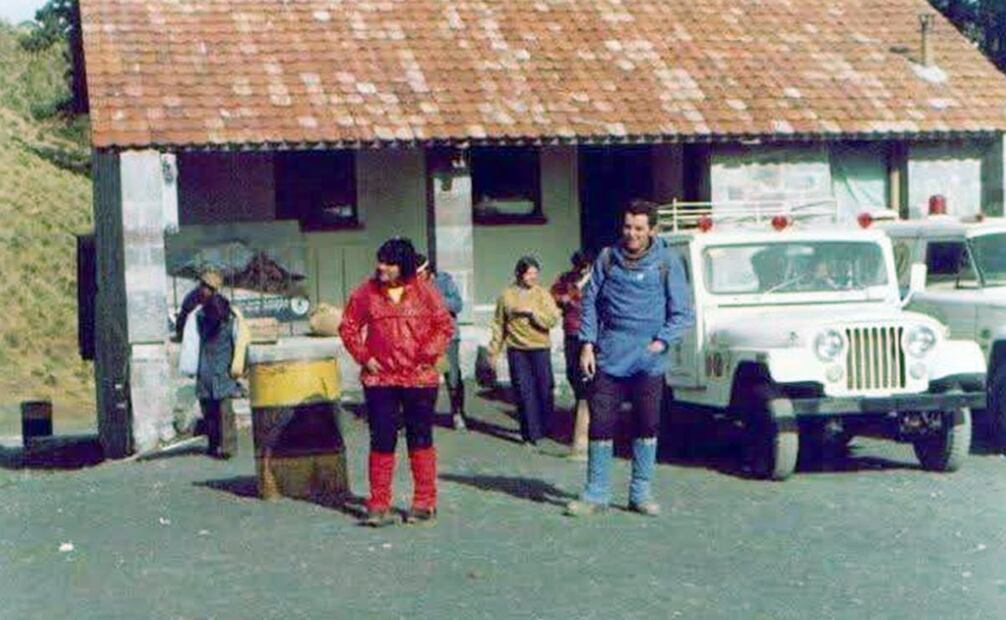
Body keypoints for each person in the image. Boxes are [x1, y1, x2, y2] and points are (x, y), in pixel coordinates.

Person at [566, 200, 695, 517]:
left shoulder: (667, 261)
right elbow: (590, 302)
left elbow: (682, 313)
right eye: (627, 227)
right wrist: (587, 344)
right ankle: (596, 494)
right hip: (609, 356)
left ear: (652, 230)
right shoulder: (608, 258)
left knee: (647, 425)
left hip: (648, 361)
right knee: (601, 424)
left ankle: (640, 493)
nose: (632, 234)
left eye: (639, 228)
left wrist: (661, 342)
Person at [339, 238, 453, 527]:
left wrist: (427, 354)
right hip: (380, 379)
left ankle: (424, 502)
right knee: (382, 438)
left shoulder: (426, 292)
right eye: (380, 261)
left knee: (420, 437)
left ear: (403, 266)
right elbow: (348, 326)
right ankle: (379, 505)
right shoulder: (366, 293)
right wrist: (364, 357)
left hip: (419, 379)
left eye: (389, 263)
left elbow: (444, 326)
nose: (382, 268)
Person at [488, 256, 561, 446]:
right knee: (523, 391)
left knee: (544, 389)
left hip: (540, 348)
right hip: (517, 350)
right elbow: (499, 324)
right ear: (519, 274)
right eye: (529, 274)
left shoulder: (542, 294)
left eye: (535, 273)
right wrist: (494, 351)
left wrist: (532, 313)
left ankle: (546, 428)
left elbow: (553, 319)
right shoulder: (506, 295)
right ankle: (530, 434)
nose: (533, 277)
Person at [178, 291, 250, 459]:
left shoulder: (214, 319)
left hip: (219, 374)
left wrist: (240, 367)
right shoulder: (203, 318)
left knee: (222, 413)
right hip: (210, 374)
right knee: (214, 414)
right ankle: (218, 445)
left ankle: (224, 447)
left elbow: (240, 345)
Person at [551, 249, 595, 461]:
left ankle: (587, 424)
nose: (583, 270)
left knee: (588, 376)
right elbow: (554, 295)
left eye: (585, 267)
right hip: (571, 331)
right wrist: (564, 298)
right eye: (580, 267)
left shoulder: (595, 279)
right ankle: (580, 408)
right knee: (572, 373)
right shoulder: (566, 279)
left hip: (589, 333)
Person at [417, 255, 467, 431]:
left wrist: (436, 301)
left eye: (420, 273)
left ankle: (457, 412)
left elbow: (458, 304)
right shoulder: (413, 286)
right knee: (426, 379)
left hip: (447, 339)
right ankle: (423, 417)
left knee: (451, 377)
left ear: (428, 270)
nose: (417, 277)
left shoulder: (444, 281)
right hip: (426, 340)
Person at [175, 269, 223, 342]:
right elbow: (182, 318)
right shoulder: (192, 298)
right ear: (203, 286)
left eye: (213, 290)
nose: (211, 292)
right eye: (210, 289)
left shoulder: (216, 299)